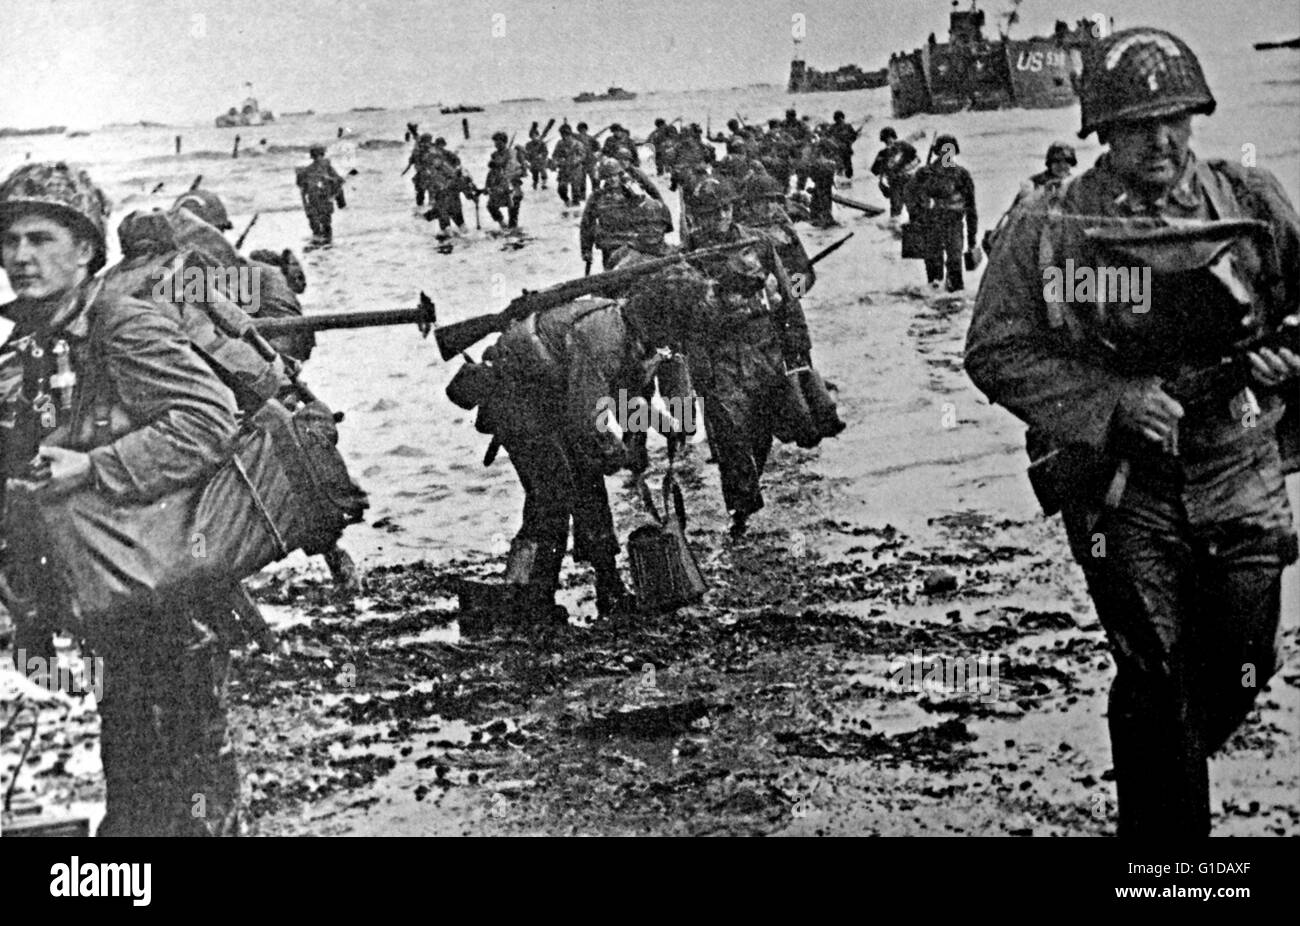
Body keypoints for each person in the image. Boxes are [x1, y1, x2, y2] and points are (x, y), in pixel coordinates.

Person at [964, 28, 1300, 837]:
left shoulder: (1249, 203)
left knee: (1245, 663)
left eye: (1177, 118)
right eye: (1139, 123)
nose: (1162, 139)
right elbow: (995, 348)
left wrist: (1286, 358)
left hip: (1236, 462)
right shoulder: (1053, 223)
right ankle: (1168, 866)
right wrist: (1114, 400)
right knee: (1154, 670)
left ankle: (1168, 771)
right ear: (1102, 132)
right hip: (1123, 480)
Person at [0, 161, 242, 835]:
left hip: (165, 593)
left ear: (85, 250)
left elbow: (207, 421)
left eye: (42, 239)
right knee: (133, 770)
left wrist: (95, 467)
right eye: (11, 240)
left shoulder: (123, 324)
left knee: (181, 782)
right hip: (104, 598)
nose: (21, 256)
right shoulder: (30, 342)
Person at [474, 266, 712, 623]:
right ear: (663, 316)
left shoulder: (635, 336)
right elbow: (589, 416)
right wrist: (619, 452)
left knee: (589, 489)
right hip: (518, 398)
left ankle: (609, 588)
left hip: (554, 396)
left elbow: (618, 398)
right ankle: (524, 592)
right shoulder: (603, 336)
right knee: (550, 496)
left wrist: (666, 425)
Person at [682, 177, 820, 538]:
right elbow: (692, 316)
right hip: (721, 356)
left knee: (761, 430)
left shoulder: (757, 243)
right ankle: (740, 509)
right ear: (698, 216)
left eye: (725, 208)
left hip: (764, 348)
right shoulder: (688, 256)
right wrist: (697, 364)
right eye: (710, 212)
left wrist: (798, 341)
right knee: (730, 435)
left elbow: (788, 294)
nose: (719, 217)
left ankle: (748, 490)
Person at [904, 133, 977, 291]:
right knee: (934, 269)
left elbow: (971, 207)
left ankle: (953, 302)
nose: (948, 154)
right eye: (945, 151)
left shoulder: (961, 175)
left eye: (950, 151)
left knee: (955, 266)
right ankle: (935, 303)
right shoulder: (925, 173)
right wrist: (916, 215)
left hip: (954, 225)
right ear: (938, 152)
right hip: (931, 225)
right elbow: (909, 192)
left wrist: (972, 238)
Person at [580, 158, 674, 271]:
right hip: (610, 246)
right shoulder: (596, 198)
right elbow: (587, 225)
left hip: (632, 243)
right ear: (604, 179)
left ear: (620, 175)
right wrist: (586, 251)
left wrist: (633, 188)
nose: (612, 179)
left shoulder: (631, 193)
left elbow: (649, 209)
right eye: (608, 177)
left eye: (615, 175)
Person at [295, 145, 346, 244]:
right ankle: (323, 243)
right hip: (318, 200)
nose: (319, 158)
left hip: (318, 200)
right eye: (318, 156)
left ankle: (323, 244)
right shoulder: (321, 168)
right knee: (320, 225)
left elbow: (300, 185)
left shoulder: (313, 169)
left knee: (322, 225)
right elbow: (340, 181)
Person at [870, 127, 919, 219]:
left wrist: (906, 169)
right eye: (885, 140)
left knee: (913, 206)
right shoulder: (882, 153)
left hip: (908, 180)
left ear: (894, 137)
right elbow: (875, 170)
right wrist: (883, 177)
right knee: (896, 209)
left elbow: (917, 159)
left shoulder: (903, 146)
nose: (888, 141)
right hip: (894, 183)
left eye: (889, 138)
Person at [484, 131, 526, 230]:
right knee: (491, 206)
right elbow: (492, 171)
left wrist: (509, 172)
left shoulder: (512, 153)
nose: (496, 144)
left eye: (499, 142)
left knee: (513, 210)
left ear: (504, 142)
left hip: (513, 186)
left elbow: (518, 169)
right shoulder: (494, 155)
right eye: (495, 142)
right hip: (499, 185)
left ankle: (513, 229)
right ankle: (502, 224)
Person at [550, 123, 589, 206]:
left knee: (576, 191)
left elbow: (582, 155)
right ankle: (567, 201)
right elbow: (555, 155)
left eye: (566, 135)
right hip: (564, 169)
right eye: (563, 135)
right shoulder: (560, 143)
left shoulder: (577, 144)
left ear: (570, 134)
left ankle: (576, 208)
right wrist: (556, 161)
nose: (565, 137)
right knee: (561, 189)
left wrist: (575, 160)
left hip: (576, 169)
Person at [827, 111, 860, 178]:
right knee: (840, 168)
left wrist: (854, 136)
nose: (840, 120)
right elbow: (828, 138)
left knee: (848, 168)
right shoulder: (833, 128)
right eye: (838, 118)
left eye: (840, 118)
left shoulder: (847, 126)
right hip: (838, 151)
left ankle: (847, 180)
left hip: (845, 150)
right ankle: (842, 181)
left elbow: (853, 137)